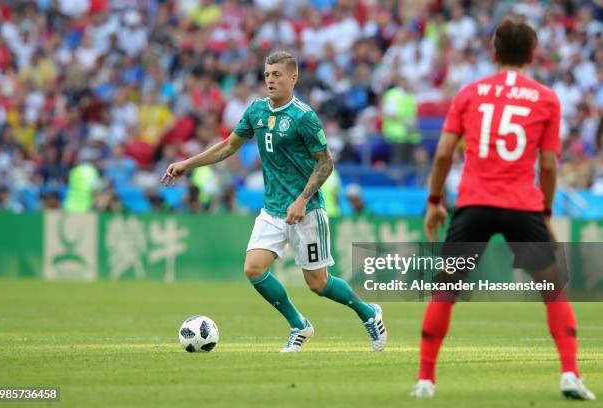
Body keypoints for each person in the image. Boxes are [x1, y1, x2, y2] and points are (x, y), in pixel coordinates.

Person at [411, 20, 595, 400]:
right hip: (521, 206)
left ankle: (426, 380)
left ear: (493, 53)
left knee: (445, 291)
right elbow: (547, 165)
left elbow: (444, 153)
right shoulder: (546, 98)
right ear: (532, 54)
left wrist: (434, 202)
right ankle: (570, 374)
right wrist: (544, 212)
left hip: (475, 203)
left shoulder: (469, 93)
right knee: (553, 289)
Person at [161, 51, 387, 353]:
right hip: (272, 209)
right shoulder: (256, 111)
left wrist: (302, 200)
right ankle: (299, 325)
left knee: (318, 284)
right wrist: (187, 164)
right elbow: (229, 146)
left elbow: (325, 164)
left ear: (293, 78)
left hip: (306, 212)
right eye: (267, 75)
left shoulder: (304, 117)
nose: (270, 80)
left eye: (277, 75)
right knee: (253, 269)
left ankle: (369, 313)